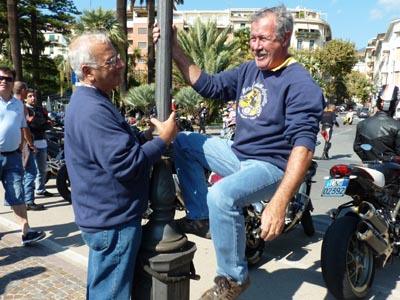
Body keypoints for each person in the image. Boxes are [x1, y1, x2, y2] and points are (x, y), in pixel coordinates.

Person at [153, 5, 324, 299]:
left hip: (271, 167)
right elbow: (209, 86)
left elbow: (304, 147)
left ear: (285, 39)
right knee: (183, 141)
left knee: (222, 194)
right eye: (253, 38)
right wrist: (174, 49)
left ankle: (232, 278)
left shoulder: (299, 83)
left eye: (263, 39)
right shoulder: (248, 71)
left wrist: (279, 203)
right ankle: (200, 216)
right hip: (238, 154)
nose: (256, 46)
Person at [65, 31, 177, 300]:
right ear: (87, 71)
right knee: (110, 294)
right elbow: (126, 164)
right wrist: (163, 140)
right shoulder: (91, 109)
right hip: (112, 223)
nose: (120, 64)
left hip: (107, 219)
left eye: (118, 57)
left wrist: (143, 137)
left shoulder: (93, 100)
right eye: (111, 60)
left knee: (104, 289)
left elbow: (117, 147)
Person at [0, 66, 46, 245]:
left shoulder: (18, 104)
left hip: (12, 156)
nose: (4, 81)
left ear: (13, 83)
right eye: (1, 78)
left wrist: (20, 150)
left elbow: (22, 128)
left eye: (8, 79)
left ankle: (26, 231)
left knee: (17, 193)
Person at [13, 81, 45, 210]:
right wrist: (31, 144)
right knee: (30, 172)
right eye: (27, 92)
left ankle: (18, 201)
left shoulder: (9, 103)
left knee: (18, 173)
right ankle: (28, 201)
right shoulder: (20, 106)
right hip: (23, 143)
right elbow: (24, 128)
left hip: (13, 144)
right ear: (23, 90)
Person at [354, 84, 400, 161]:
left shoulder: (362, 124)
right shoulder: (397, 126)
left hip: (368, 165)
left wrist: (367, 159)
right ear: (394, 104)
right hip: (390, 168)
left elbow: (357, 147)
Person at [25, 89, 53, 197]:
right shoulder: (25, 109)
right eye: (30, 96)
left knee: (42, 169)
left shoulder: (41, 109)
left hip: (42, 142)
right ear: (25, 98)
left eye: (34, 96)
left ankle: (40, 189)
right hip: (30, 143)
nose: (33, 98)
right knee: (30, 171)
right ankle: (27, 195)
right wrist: (41, 122)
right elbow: (31, 124)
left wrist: (39, 122)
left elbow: (49, 123)